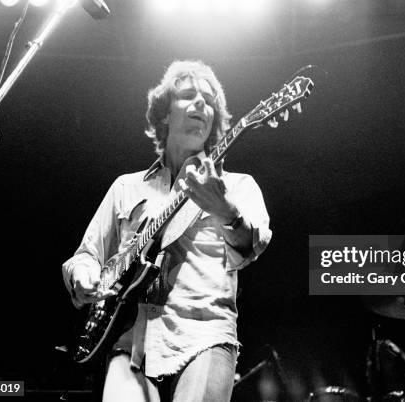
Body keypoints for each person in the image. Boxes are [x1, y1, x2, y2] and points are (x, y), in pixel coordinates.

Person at [61, 60, 272, 402]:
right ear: (163, 114)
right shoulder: (126, 187)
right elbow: (85, 256)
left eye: (208, 100)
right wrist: (83, 276)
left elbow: (251, 248)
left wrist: (224, 210)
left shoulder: (236, 186)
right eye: (188, 95)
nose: (201, 104)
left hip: (204, 336)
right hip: (129, 339)